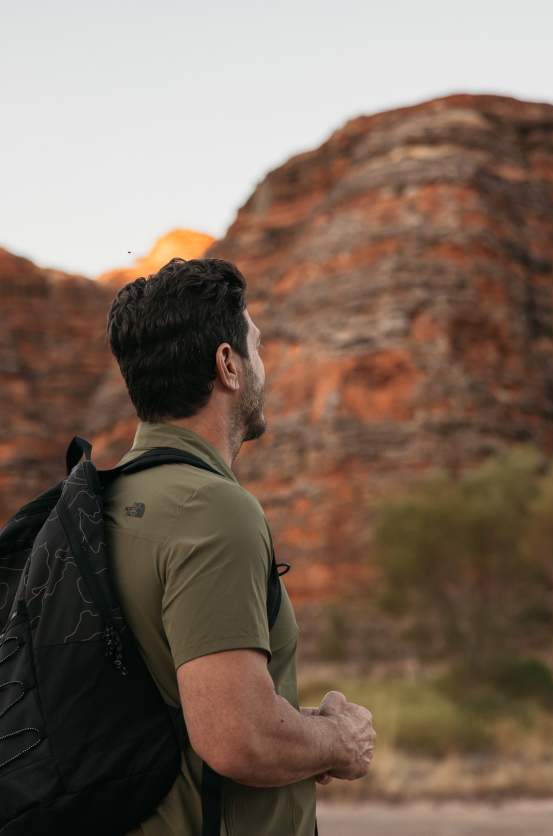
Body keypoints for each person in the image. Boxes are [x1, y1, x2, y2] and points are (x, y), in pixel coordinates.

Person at [103, 257, 376, 836]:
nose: (264, 367)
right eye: (256, 346)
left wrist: (289, 729)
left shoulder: (106, 500)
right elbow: (237, 737)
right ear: (227, 364)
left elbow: (179, 700)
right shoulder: (210, 509)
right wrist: (337, 740)